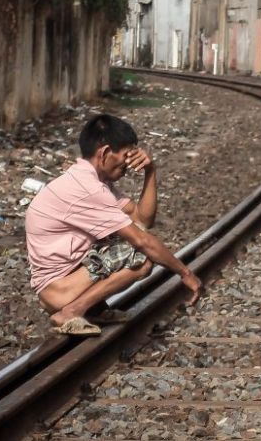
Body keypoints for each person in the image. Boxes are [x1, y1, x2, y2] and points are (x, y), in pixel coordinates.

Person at [26, 114, 202, 335]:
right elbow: (142, 239)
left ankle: (94, 309)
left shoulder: (90, 181)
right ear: (105, 153)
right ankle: (71, 311)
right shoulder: (89, 189)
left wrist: (150, 171)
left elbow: (143, 218)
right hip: (58, 289)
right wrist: (185, 273)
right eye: (126, 156)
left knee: (128, 236)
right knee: (141, 256)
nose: (129, 164)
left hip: (63, 282)